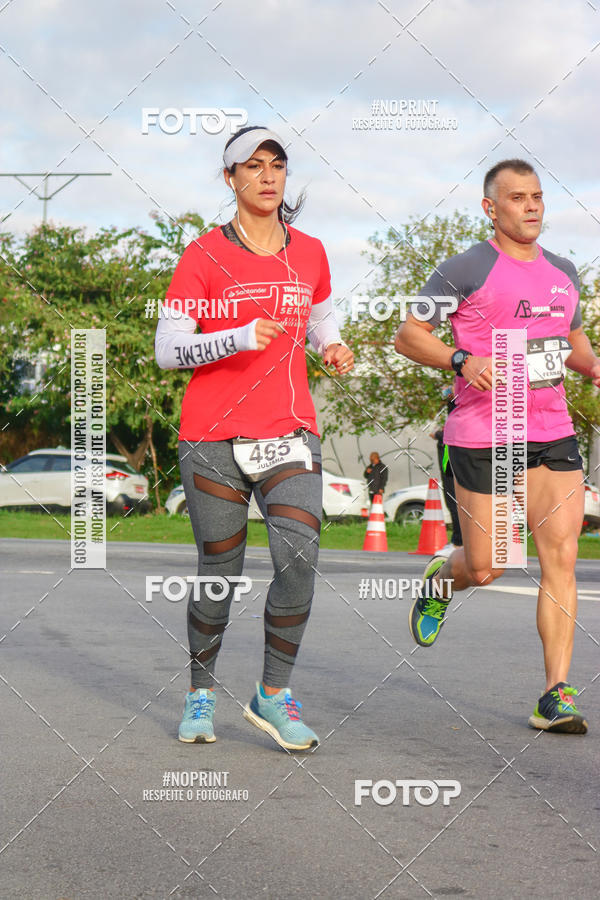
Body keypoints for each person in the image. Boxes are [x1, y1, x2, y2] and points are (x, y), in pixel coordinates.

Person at [155, 126, 354, 749]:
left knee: (299, 560)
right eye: (253, 166)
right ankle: (200, 692)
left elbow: (318, 313)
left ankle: (272, 694)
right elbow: (167, 350)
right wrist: (237, 336)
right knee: (221, 573)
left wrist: (332, 344)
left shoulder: (313, 250)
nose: (268, 176)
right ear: (230, 179)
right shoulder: (202, 255)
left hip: (289, 430)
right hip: (212, 434)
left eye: (277, 166)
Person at [395, 158, 600, 734]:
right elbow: (409, 335)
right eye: (517, 198)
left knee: (560, 558)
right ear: (491, 207)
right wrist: (462, 358)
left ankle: (554, 693)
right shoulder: (465, 269)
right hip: (486, 433)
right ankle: (443, 578)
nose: (531, 206)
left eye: (537, 196)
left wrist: (593, 367)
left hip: (552, 430)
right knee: (487, 566)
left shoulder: (563, 273)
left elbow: (574, 345)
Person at [430, 386, 463, 553]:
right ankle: (462, 541)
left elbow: (447, 393)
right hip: (454, 459)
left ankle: (459, 542)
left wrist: (437, 435)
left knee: (454, 501)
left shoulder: (460, 408)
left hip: (452, 461)